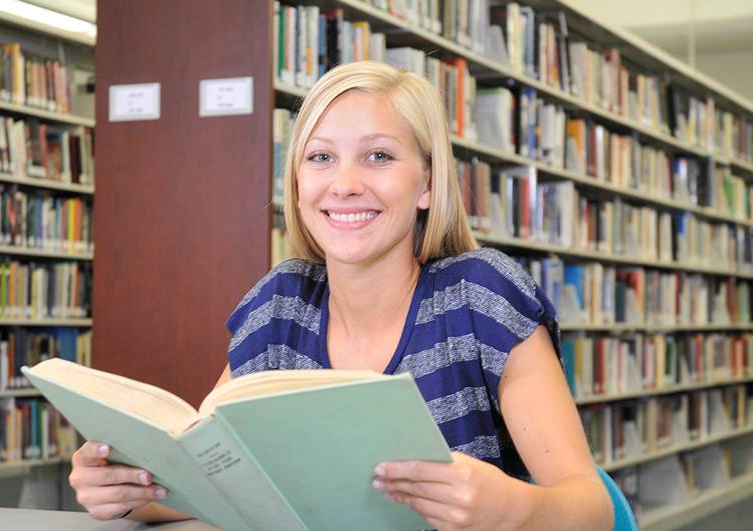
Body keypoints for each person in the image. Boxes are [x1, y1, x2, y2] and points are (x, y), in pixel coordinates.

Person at [69, 60, 613, 530]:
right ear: (298, 181)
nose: (345, 183)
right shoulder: (280, 308)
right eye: (321, 157)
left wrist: (510, 512)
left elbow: (592, 510)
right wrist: (128, 491)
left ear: (426, 184)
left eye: (378, 157)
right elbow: (219, 483)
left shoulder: (481, 297)